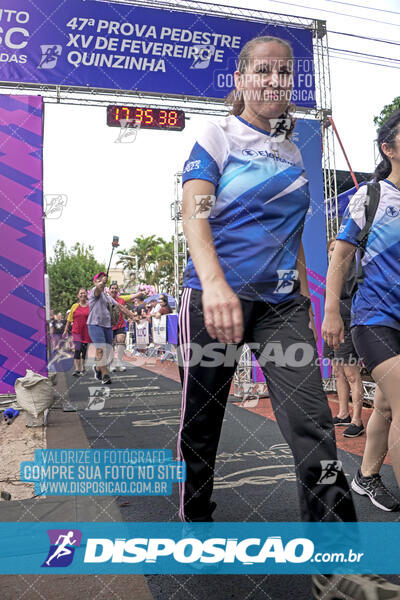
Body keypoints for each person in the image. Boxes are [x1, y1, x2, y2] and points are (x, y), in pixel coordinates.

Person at [177, 35, 400, 599]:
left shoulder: (292, 150)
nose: (276, 81)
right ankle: (195, 516)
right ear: (243, 77)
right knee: (203, 423)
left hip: (280, 308)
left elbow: (292, 229)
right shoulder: (215, 134)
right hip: (214, 302)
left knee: (312, 424)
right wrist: (214, 285)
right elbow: (194, 212)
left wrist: (304, 290)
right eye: (265, 71)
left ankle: (338, 559)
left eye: (286, 72)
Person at [323, 108, 400, 514]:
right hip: (373, 318)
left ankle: (367, 476)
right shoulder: (370, 196)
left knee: (387, 405)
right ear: (388, 149)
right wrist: (331, 310)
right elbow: (340, 255)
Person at [323, 238, 364, 438]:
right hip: (331, 324)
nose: (333, 252)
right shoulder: (331, 272)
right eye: (331, 249)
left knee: (351, 373)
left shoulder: (354, 270)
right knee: (337, 371)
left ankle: (357, 420)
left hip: (348, 323)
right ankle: (343, 413)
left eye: (336, 249)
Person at [87, 272, 135, 384]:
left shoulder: (107, 296)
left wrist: (132, 316)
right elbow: (99, 288)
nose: (101, 281)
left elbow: (119, 306)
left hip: (107, 326)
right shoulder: (94, 292)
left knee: (109, 351)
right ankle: (105, 375)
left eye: (103, 279)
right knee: (101, 349)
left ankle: (98, 368)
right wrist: (102, 282)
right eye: (99, 279)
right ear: (95, 282)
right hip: (95, 325)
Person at [64, 287, 91, 377]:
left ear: (87, 295)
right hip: (76, 331)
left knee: (84, 350)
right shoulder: (74, 306)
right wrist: (65, 330)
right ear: (78, 295)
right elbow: (69, 319)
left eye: (84, 293)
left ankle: (83, 367)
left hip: (86, 332)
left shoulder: (90, 306)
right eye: (81, 293)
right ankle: (76, 369)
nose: (83, 294)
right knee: (77, 349)